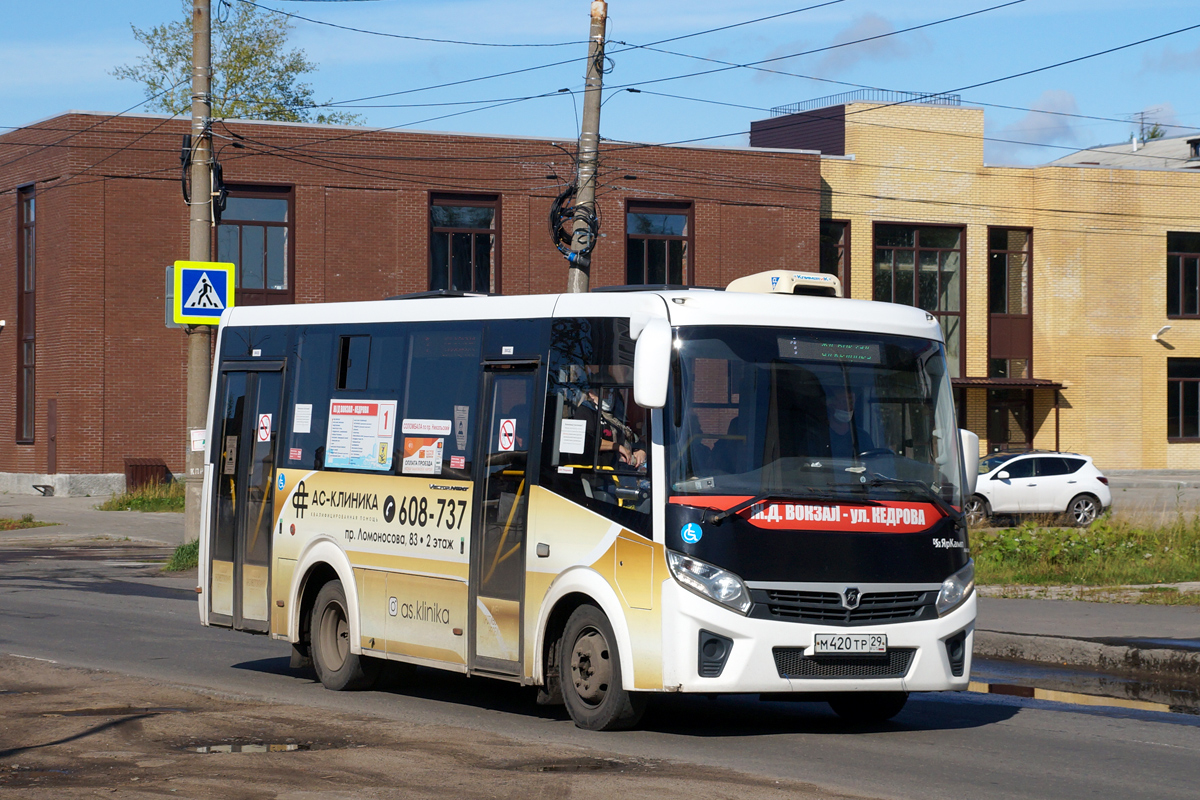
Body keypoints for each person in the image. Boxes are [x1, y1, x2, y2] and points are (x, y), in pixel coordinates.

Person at [820, 387, 875, 460]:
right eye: (843, 402)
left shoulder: (862, 437)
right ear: (830, 405)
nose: (848, 407)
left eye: (851, 403)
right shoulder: (817, 436)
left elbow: (871, 466)